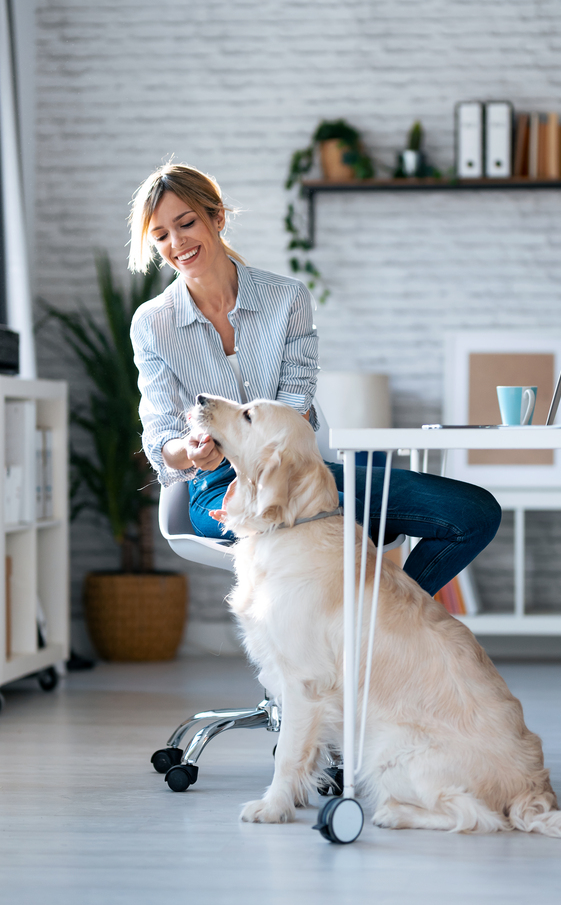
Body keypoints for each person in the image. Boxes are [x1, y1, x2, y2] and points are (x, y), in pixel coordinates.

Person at [129, 162, 501, 597]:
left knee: (473, 513)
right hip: (219, 488)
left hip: (303, 475)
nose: (176, 244)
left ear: (217, 217)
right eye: (161, 236)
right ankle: (352, 634)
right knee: (305, 540)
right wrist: (189, 454)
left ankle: (382, 618)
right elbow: (161, 439)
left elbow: (295, 408)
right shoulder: (152, 323)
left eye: (186, 223)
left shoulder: (287, 299)